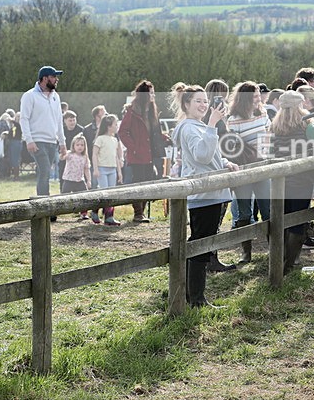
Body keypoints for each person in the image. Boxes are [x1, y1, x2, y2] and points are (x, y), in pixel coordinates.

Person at [170, 83, 240, 307]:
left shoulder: (199, 126)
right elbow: (201, 156)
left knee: (201, 243)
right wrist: (212, 124)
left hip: (214, 192)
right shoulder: (191, 128)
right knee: (200, 245)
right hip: (204, 195)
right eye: (198, 101)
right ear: (187, 104)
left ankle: (191, 294)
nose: (203, 104)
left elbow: (209, 157)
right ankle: (196, 298)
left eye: (205, 100)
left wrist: (225, 163)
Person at [270, 90, 314, 270]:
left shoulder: (275, 127)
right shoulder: (306, 127)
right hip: (301, 182)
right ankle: (288, 264)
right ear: (299, 106)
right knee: (298, 224)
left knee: (282, 221)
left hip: (279, 182)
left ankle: (279, 261)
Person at [227, 81, 271, 264]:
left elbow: (269, 135)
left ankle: (274, 248)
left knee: (268, 209)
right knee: (244, 213)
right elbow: (233, 147)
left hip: (262, 167)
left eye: (258, 95)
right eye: (254, 96)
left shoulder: (262, 114)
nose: (258, 99)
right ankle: (246, 253)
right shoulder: (234, 119)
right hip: (244, 169)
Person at [119, 80, 168, 222]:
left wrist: (163, 138)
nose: (153, 95)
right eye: (151, 93)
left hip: (150, 153)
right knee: (138, 183)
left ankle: (142, 212)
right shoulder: (132, 111)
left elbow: (153, 132)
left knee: (149, 180)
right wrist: (133, 148)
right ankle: (138, 214)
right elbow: (123, 132)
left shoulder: (152, 111)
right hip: (137, 155)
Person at [19, 66, 67, 207]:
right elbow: (24, 119)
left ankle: (40, 205)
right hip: (37, 141)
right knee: (45, 170)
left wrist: (63, 143)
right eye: (54, 77)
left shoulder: (56, 97)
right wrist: (29, 140)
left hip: (52, 142)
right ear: (45, 78)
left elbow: (59, 120)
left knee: (43, 171)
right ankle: (45, 206)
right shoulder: (29, 96)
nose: (56, 79)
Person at [202, 78, 236, 273]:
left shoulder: (216, 113)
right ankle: (209, 258)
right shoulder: (212, 115)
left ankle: (211, 256)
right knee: (215, 214)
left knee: (219, 212)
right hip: (217, 164)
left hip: (223, 162)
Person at [92, 114, 123, 226]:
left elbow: (116, 157)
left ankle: (109, 216)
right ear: (109, 126)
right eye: (115, 124)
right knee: (104, 192)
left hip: (112, 169)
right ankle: (95, 210)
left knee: (111, 194)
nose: (117, 126)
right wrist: (96, 169)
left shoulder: (114, 140)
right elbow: (94, 154)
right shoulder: (100, 139)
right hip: (102, 169)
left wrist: (119, 172)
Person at [60, 133, 92, 221]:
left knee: (84, 196)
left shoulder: (85, 157)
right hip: (68, 180)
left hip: (79, 180)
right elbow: (62, 158)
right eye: (77, 145)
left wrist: (88, 180)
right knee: (64, 196)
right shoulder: (70, 154)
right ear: (73, 145)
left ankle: (84, 212)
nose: (80, 147)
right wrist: (62, 154)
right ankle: (57, 211)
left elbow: (86, 169)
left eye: (82, 145)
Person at [60, 110, 84, 189]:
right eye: (70, 120)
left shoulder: (80, 130)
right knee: (63, 175)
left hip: (78, 157)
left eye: (74, 120)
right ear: (65, 121)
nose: (72, 122)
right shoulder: (61, 131)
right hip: (65, 156)